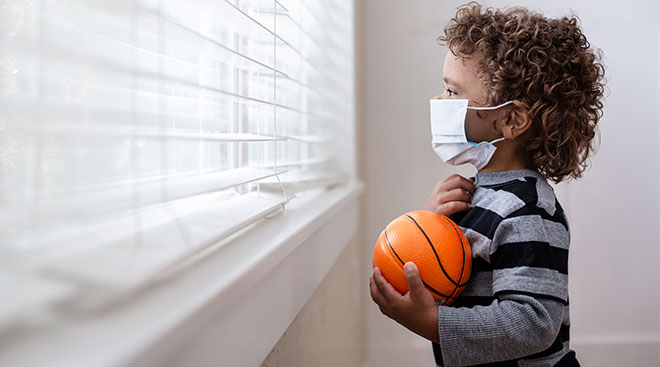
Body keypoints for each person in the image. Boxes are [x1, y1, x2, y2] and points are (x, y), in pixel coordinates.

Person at [369, 2, 605, 366]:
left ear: (510, 119)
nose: (438, 100)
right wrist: (434, 226)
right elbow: (461, 270)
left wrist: (434, 324)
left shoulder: (528, 209)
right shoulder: (483, 192)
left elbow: (534, 322)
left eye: (452, 92)